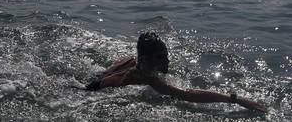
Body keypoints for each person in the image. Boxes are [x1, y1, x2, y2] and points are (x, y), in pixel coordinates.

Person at [85, 32, 267, 113]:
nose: (167, 61)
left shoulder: (132, 62)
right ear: (147, 60)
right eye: (162, 57)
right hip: (90, 91)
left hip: (97, 80)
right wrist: (234, 99)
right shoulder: (146, 76)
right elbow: (186, 95)